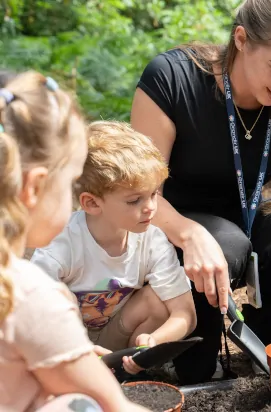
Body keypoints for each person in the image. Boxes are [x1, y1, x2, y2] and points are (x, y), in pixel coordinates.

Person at [130, 0, 271, 384]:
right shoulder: (172, 79)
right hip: (170, 227)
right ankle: (196, 364)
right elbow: (140, 194)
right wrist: (190, 235)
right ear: (242, 40)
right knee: (224, 243)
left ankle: (270, 355)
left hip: (245, 223)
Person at [0, 72, 149, 411]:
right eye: (70, 182)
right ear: (34, 187)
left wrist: (66, 354)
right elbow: (117, 406)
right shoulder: (28, 293)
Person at [31, 121, 196, 376]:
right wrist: (78, 349)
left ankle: (133, 372)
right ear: (92, 203)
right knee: (56, 300)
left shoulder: (151, 239)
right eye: (134, 200)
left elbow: (184, 313)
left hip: (115, 339)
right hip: (65, 346)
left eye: (153, 194)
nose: (150, 207)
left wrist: (154, 341)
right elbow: (31, 314)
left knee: (158, 300)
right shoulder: (61, 244)